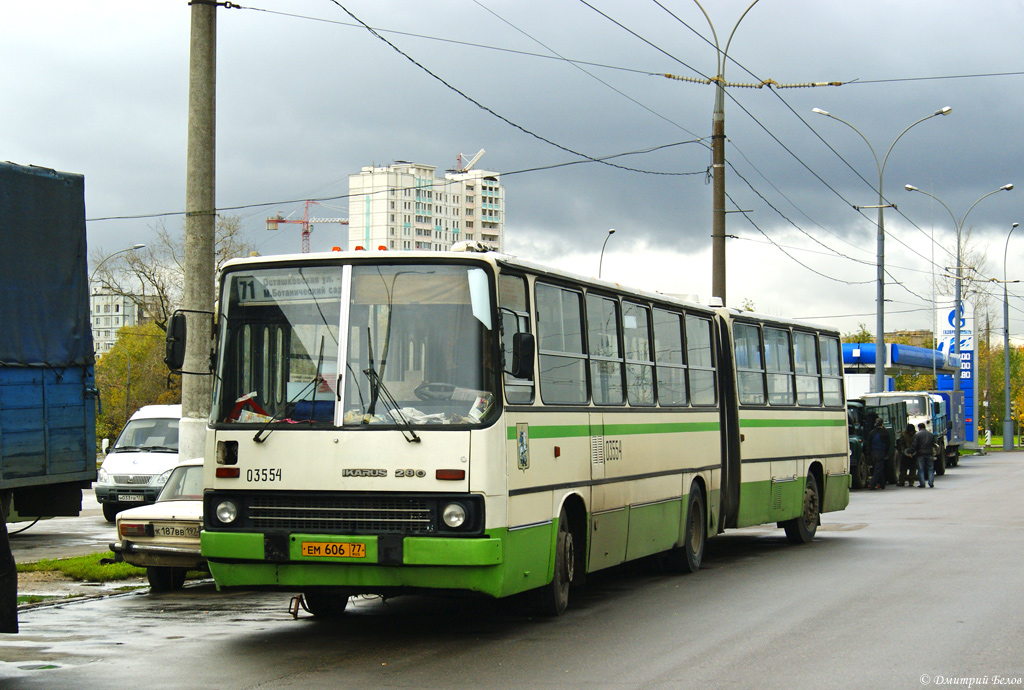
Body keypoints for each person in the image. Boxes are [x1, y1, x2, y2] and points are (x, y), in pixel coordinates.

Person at [865, 418, 890, 490]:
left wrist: (868, 454)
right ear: (882, 424)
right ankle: (872, 485)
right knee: (878, 469)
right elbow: (888, 444)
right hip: (881, 452)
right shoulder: (885, 432)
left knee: (879, 468)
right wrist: (886, 453)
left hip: (873, 453)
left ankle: (882, 484)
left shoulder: (871, 433)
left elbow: (868, 444)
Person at [912, 422, 936, 488]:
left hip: (920, 454)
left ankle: (922, 484)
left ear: (919, 428)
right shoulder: (930, 434)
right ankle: (931, 483)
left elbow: (915, 445)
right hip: (929, 453)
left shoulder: (917, 435)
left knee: (921, 469)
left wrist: (911, 452)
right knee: (930, 469)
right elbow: (934, 443)